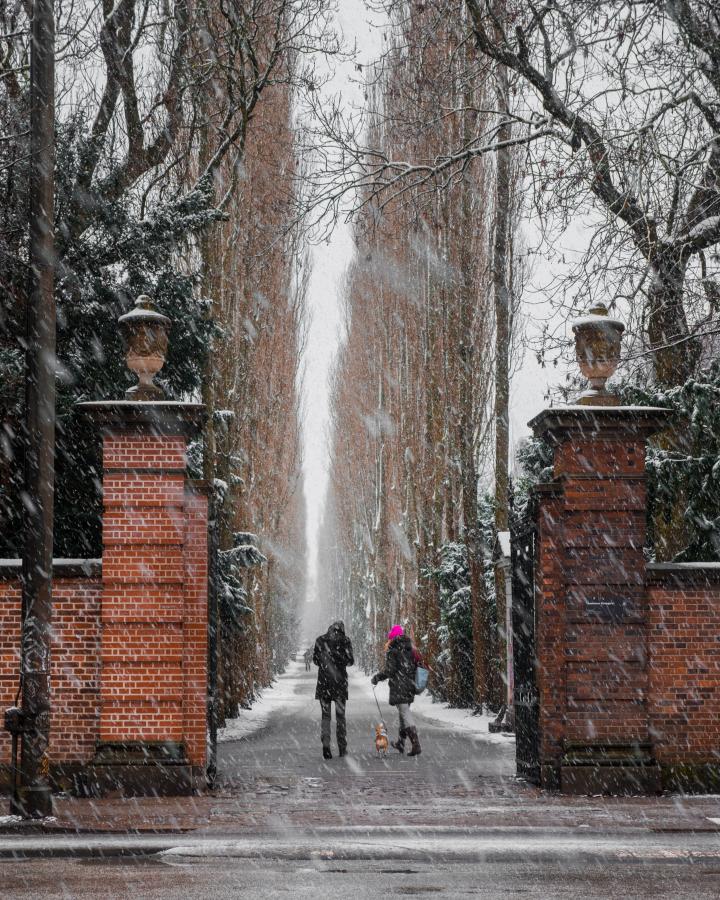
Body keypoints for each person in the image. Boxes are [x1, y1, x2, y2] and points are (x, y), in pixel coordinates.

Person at [371, 624, 421, 756]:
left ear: (393, 637)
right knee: (403, 714)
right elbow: (417, 664)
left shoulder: (393, 649)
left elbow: (390, 670)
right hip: (410, 684)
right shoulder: (410, 647)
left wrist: (377, 677)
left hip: (400, 685)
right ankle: (401, 742)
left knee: (405, 713)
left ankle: (416, 744)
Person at [313, 620, 354, 759]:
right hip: (340, 685)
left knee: (326, 717)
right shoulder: (345, 641)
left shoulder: (320, 640)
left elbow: (315, 660)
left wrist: (327, 660)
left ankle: (326, 746)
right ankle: (342, 748)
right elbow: (350, 661)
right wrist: (339, 658)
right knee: (340, 717)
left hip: (323, 684)